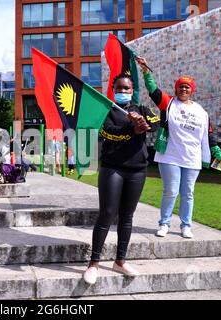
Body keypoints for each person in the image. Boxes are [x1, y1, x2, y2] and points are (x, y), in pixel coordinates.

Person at [136, 57, 221, 239]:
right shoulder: (168, 103)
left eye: (187, 87)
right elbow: (153, 90)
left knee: (188, 193)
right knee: (170, 191)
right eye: (181, 86)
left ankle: (186, 226)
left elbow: (209, 135)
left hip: (192, 158)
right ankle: (164, 224)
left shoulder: (202, 112)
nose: (184, 89)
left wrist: (218, 153)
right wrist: (146, 70)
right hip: (170, 155)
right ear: (176, 89)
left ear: (192, 91)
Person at [83, 73, 160, 285]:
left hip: (137, 170)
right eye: (120, 88)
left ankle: (120, 260)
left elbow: (156, 122)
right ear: (113, 89)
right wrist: (131, 128)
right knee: (107, 214)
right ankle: (93, 263)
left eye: (127, 89)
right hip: (112, 169)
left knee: (127, 216)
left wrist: (143, 123)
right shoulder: (107, 110)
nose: (123, 92)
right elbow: (108, 133)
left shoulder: (141, 109)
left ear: (133, 91)